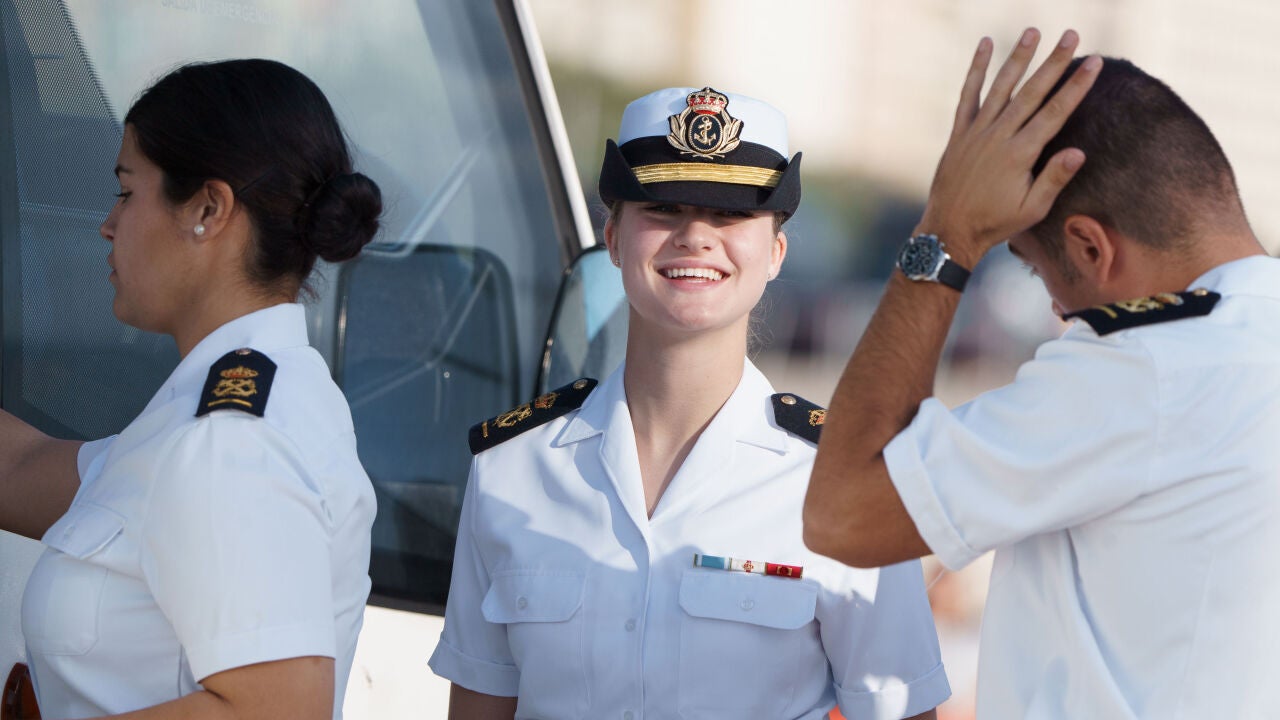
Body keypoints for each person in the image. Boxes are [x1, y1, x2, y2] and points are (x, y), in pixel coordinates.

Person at [428, 86, 951, 720]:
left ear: (776, 253)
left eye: (730, 216)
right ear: (614, 237)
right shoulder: (511, 468)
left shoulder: (842, 481)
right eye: (665, 208)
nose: (695, 236)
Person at [803, 28, 1280, 718]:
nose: (1055, 306)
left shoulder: (1148, 367)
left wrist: (948, 231)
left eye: (1034, 265)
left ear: (1089, 245)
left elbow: (842, 514)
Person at [0, 59, 381, 719]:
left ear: (208, 208)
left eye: (127, 190)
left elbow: (275, 712)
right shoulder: (237, 403)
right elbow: (20, 468)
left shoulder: (233, 440)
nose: (108, 223)